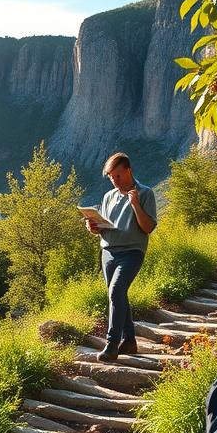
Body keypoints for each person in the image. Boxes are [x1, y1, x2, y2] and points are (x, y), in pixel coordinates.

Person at [84, 152, 157, 362]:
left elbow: (148, 227)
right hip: (108, 251)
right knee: (118, 295)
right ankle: (130, 341)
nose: (115, 181)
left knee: (116, 292)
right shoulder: (109, 196)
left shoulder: (145, 193)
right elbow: (105, 227)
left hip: (132, 252)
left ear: (129, 170)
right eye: (111, 178)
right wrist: (94, 227)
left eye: (118, 176)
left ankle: (112, 344)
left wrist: (135, 204)